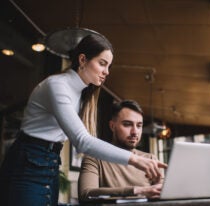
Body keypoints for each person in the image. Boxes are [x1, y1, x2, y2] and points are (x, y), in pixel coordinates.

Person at [0, 34, 166, 206]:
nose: (106, 72)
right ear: (82, 60)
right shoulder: (57, 85)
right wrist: (137, 160)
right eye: (102, 63)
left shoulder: (82, 93)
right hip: (28, 162)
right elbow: (82, 141)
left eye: (108, 66)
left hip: (50, 162)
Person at [78, 100, 164, 202]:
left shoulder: (150, 159)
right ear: (112, 126)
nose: (135, 132)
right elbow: (85, 194)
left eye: (139, 126)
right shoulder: (94, 158)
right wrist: (136, 190)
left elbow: (161, 196)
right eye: (127, 124)